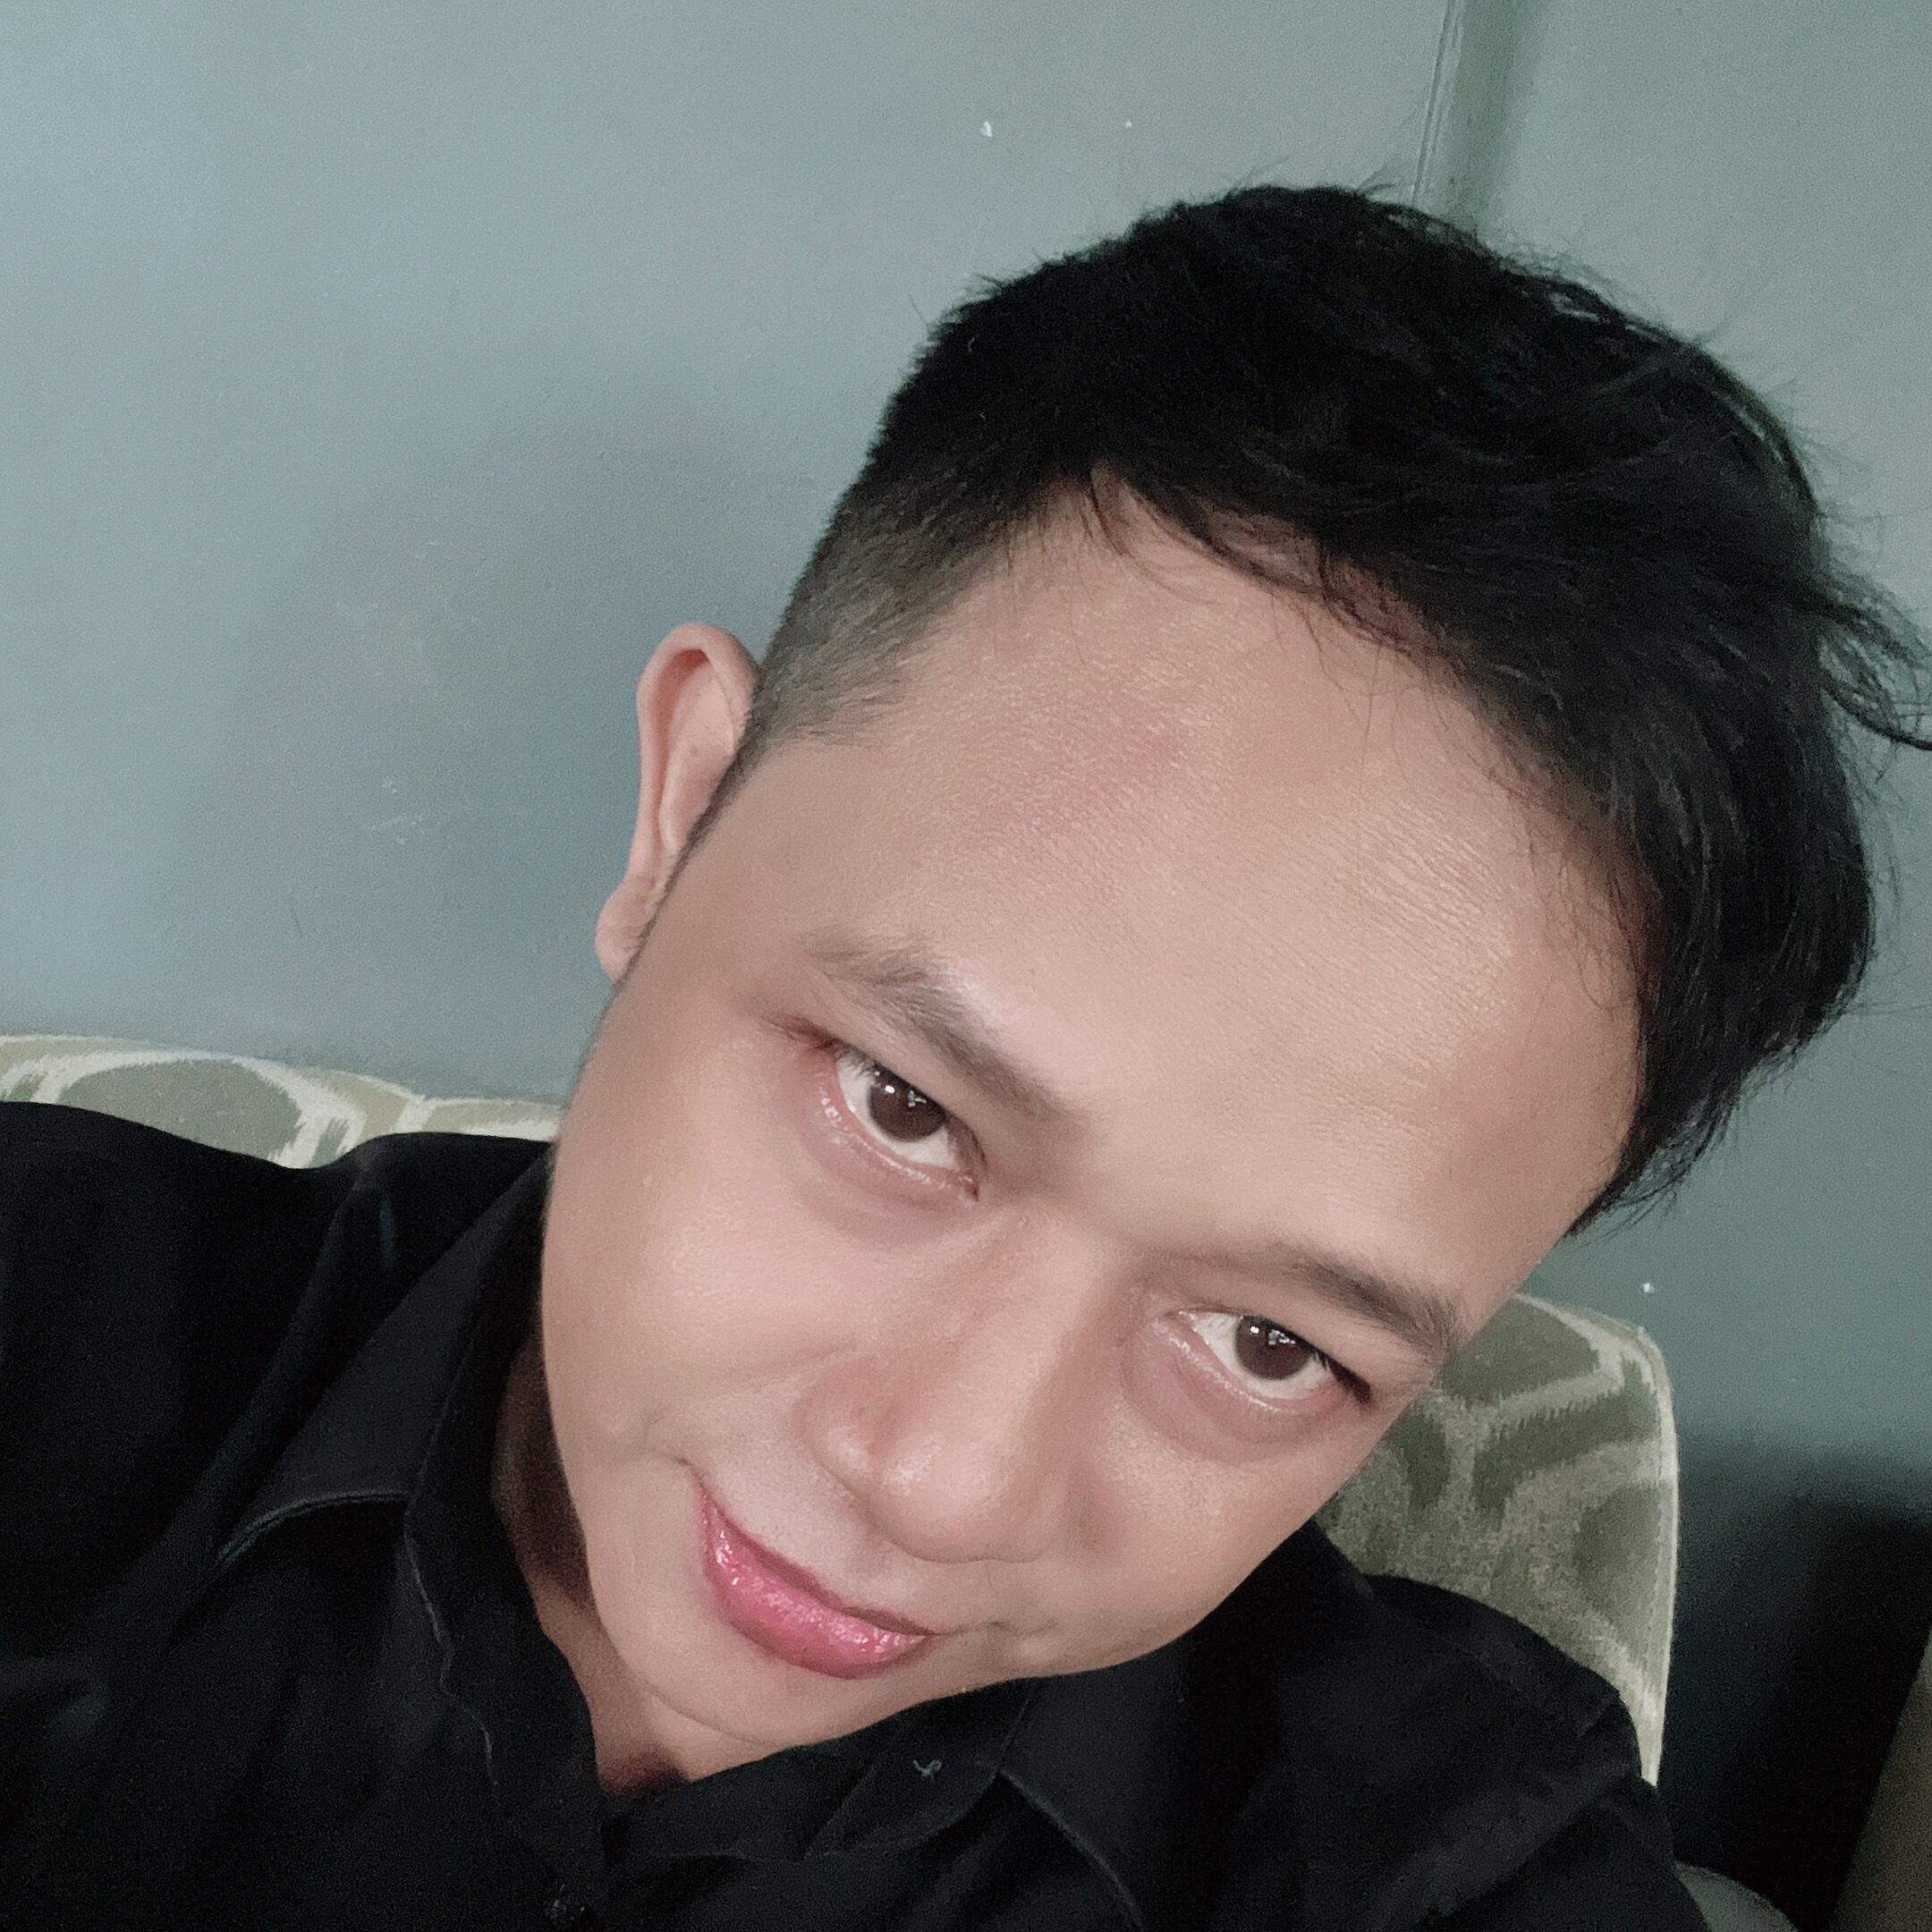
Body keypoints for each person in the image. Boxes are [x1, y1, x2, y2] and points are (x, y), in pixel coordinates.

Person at [2, 182, 1926, 1932]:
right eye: (905, 1109)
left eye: (1271, 1345)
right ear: (682, 813)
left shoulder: (1448, 1868)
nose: (941, 1486)